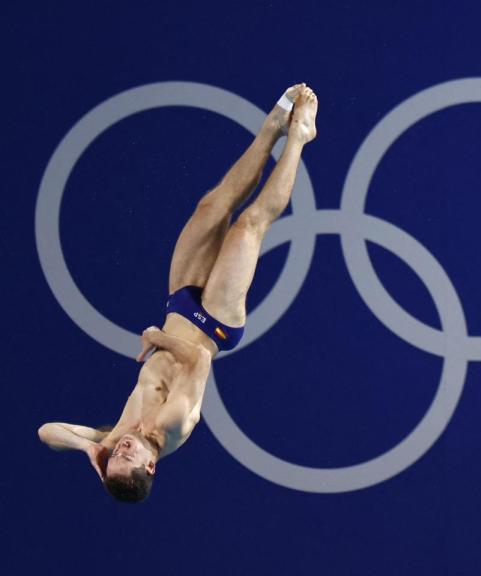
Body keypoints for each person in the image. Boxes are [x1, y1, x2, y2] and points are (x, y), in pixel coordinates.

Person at [38, 84, 319, 500]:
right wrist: (157, 338)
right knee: (249, 226)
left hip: (181, 304)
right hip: (216, 324)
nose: (124, 448)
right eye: (127, 458)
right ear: (150, 465)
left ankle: (272, 129)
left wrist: (90, 446)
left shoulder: (115, 436)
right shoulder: (172, 426)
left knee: (212, 206)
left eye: (115, 456)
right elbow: (200, 361)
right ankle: (298, 138)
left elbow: (46, 432)